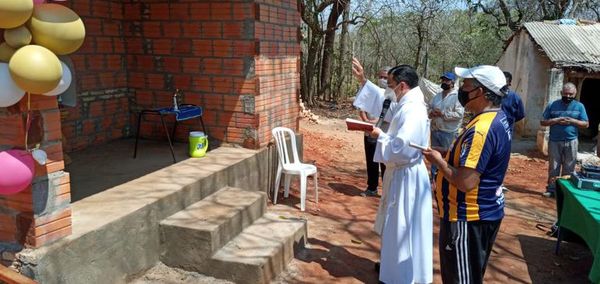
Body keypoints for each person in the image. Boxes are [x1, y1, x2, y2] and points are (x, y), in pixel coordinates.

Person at [422, 65, 511, 283]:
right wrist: (448, 154)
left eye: (467, 86)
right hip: (481, 214)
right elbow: (479, 160)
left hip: (466, 217)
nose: (462, 90)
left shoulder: (481, 129)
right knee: (469, 275)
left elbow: (465, 181)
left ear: (480, 92)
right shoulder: (497, 118)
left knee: (460, 279)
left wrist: (439, 162)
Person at [352, 58, 432, 284]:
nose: (390, 88)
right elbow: (383, 102)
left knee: (402, 226)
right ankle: (393, 268)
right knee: (397, 225)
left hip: (406, 177)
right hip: (402, 174)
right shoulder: (408, 102)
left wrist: (381, 137)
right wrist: (363, 80)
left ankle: (399, 276)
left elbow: (402, 149)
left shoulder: (413, 109)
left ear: (402, 86)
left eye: (391, 84)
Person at [540, 82, 589, 198]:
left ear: (575, 94)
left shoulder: (579, 106)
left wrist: (572, 121)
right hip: (554, 141)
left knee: (569, 167)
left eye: (570, 94)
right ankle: (551, 189)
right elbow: (543, 121)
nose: (568, 96)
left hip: (571, 141)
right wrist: (556, 120)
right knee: (554, 167)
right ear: (561, 93)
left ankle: (564, 191)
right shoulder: (552, 105)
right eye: (565, 94)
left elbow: (585, 124)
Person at [356, 67, 390, 197]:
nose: (383, 80)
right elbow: (361, 107)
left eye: (386, 78)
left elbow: (390, 114)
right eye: (381, 77)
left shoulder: (393, 94)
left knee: (385, 163)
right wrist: (366, 121)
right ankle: (372, 187)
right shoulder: (370, 90)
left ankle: (387, 190)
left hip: (385, 133)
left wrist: (378, 120)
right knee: (371, 160)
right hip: (369, 130)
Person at [429, 72, 464, 182]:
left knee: (448, 155)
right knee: (435, 155)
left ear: (453, 82)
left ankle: (446, 177)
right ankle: (434, 176)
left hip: (449, 132)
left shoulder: (457, 97)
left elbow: (459, 114)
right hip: (435, 130)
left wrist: (443, 113)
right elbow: (429, 108)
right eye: (443, 80)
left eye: (447, 80)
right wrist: (431, 112)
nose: (444, 82)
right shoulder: (437, 96)